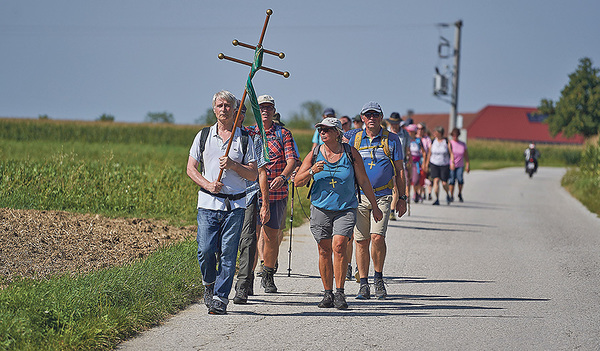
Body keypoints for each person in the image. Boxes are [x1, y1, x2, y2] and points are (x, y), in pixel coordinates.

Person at [295, 117, 383, 310]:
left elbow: (364, 181)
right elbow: (297, 181)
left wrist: (375, 206)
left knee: (340, 244)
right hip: (320, 208)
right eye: (320, 129)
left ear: (337, 132)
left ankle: (340, 292)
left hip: (345, 207)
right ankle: (327, 293)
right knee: (324, 249)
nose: (322, 132)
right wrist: (311, 171)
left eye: (326, 129)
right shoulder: (315, 153)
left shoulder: (351, 153)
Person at [186, 90, 258, 315]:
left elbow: (253, 175)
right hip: (208, 203)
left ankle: (220, 298)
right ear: (214, 109)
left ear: (235, 110)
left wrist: (235, 166)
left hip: (235, 206)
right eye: (220, 105)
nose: (224, 109)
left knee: (228, 253)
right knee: (205, 250)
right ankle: (209, 283)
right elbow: (190, 169)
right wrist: (208, 184)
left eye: (228, 106)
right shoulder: (204, 135)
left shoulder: (244, 139)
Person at [344, 101, 407, 300]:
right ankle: (363, 284)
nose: (371, 118)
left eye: (375, 115)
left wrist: (403, 198)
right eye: (368, 115)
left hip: (383, 195)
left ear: (381, 118)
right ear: (362, 118)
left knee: (377, 237)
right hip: (358, 196)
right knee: (361, 241)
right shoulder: (353, 138)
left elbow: (400, 170)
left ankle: (378, 278)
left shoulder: (392, 139)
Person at [250, 94, 299, 294]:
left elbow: (292, 159)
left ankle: (268, 274)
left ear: (274, 110)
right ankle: (247, 278)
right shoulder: (248, 133)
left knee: (271, 235)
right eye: (261, 107)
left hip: (276, 193)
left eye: (268, 107)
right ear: (256, 109)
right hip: (252, 192)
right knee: (251, 236)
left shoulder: (283, 134)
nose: (265, 111)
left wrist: (284, 177)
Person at [233, 102, 270, 305]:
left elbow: (262, 172)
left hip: (248, 195)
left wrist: (265, 204)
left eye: (241, 113)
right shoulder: (215, 137)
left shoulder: (252, 139)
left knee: (248, 240)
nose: (237, 117)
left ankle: (243, 284)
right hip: (223, 198)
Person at [386, 112, 410, 220]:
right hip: (387, 162)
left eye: (396, 123)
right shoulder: (386, 133)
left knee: (395, 186)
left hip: (400, 162)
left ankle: (391, 210)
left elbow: (407, 149)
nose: (394, 125)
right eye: (392, 123)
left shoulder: (405, 134)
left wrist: (409, 160)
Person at [424, 126, 454, 206]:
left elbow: (451, 153)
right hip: (434, 163)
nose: (434, 134)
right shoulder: (433, 141)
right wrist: (426, 164)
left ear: (440, 133)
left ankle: (448, 194)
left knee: (444, 183)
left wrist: (452, 162)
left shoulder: (446, 141)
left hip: (444, 164)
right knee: (436, 180)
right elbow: (429, 153)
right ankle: (437, 199)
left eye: (436, 132)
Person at [448, 128, 470, 203]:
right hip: (452, 165)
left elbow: (466, 155)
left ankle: (459, 193)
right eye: (454, 135)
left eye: (456, 135)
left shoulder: (462, 144)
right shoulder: (450, 143)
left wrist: (467, 164)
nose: (455, 137)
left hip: (460, 165)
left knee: (460, 180)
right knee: (452, 180)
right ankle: (451, 195)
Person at [407, 124, 427, 202]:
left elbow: (424, 152)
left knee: (415, 180)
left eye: (412, 131)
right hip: (408, 162)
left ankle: (416, 193)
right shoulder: (407, 140)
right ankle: (407, 195)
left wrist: (424, 162)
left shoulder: (418, 141)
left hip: (416, 163)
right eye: (409, 131)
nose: (410, 133)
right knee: (407, 180)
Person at [416, 123, 433, 200]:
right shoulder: (414, 138)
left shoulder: (427, 139)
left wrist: (426, 162)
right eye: (418, 129)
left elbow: (429, 151)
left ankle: (429, 193)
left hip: (425, 159)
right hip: (416, 160)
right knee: (418, 177)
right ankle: (420, 193)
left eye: (422, 129)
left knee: (427, 177)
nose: (420, 130)